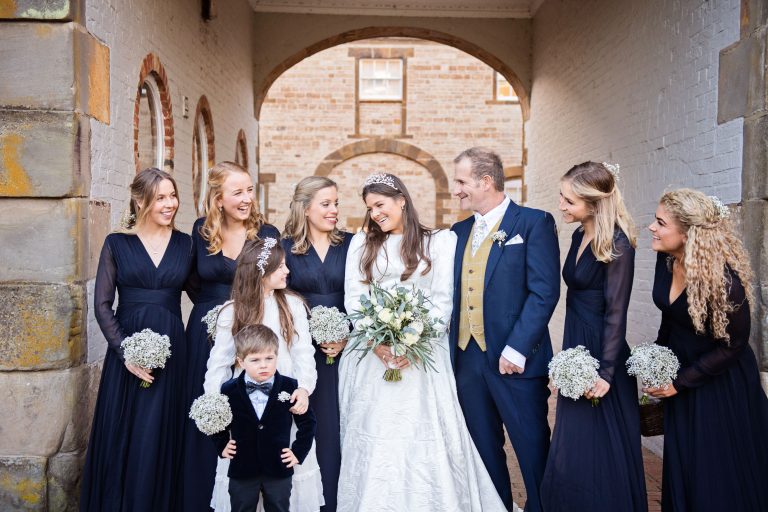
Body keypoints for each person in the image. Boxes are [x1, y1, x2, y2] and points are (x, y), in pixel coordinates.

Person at [338, 172, 507, 512]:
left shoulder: (439, 242)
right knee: (376, 430)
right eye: (370, 208)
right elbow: (355, 297)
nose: (375, 214)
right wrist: (377, 341)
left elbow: (443, 299)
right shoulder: (361, 243)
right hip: (373, 354)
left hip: (422, 354)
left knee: (422, 432)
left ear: (402, 199)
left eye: (380, 205)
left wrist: (413, 340)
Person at [450, 147, 560, 512]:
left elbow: (544, 292)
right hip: (467, 361)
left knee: (531, 448)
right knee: (482, 451)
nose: (456, 190)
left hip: (517, 361)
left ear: (485, 181)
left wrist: (516, 349)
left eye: (462, 182)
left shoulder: (533, 223)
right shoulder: (458, 231)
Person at [645, 188, 768, 511]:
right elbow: (670, 318)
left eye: (660, 223)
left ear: (687, 234)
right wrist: (657, 362)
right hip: (681, 379)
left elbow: (734, 345)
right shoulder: (665, 259)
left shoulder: (724, 280)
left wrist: (680, 381)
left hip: (719, 382)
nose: (651, 228)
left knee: (713, 470)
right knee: (683, 461)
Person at [80, 168, 194, 511]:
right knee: (126, 432)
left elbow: (205, 293)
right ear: (140, 200)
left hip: (174, 354)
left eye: (172, 196)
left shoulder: (186, 244)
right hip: (126, 354)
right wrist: (125, 351)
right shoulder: (117, 243)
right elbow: (102, 304)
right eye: (161, 197)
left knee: (161, 434)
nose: (170, 203)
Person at [539, 161, 647, 511]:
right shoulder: (577, 234)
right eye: (561, 197)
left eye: (569, 200)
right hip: (577, 347)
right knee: (574, 442)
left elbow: (617, 313)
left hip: (602, 354)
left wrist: (606, 373)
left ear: (594, 202)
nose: (561, 205)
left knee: (601, 445)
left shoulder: (618, 243)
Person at [183, 161, 279, 511]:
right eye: (237, 192)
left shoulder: (267, 234)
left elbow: (276, 283)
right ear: (218, 198)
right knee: (208, 407)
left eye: (250, 190)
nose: (246, 199)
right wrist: (213, 314)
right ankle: (199, 498)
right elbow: (192, 280)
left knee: (247, 411)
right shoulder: (201, 231)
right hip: (203, 333)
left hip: (252, 333)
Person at [204, 238, 323, 512]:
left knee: (281, 484)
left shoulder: (292, 306)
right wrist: (215, 408)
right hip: (244, 410)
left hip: (284, 406)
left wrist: (303, 388)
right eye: (280, 267)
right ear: (261, 271)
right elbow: (219, 364)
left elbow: (304, 352)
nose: (287, 272)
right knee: (244, 490)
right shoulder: (231, 311)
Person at [281, 176, 352, 512]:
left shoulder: (352, 245)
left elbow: (365, 297)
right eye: (326, 204)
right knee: (313, 423)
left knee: (347, 423)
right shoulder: (286, 249)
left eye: (336, 203)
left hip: (349, 351)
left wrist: (345, 333)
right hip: (303, 353)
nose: (334, 210)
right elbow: (277, 301)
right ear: (305, 208)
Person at [212, 324, 317, 512]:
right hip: (242, 468)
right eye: (255, 360)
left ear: (277, 356)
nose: (263, 365)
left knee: (279, 507)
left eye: (269, 358)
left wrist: (298, 452)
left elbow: (308, 423)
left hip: (278, 467)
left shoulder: (290, 386)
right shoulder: (228, 389)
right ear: (241, 362)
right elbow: (216, 418)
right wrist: (221, 444)